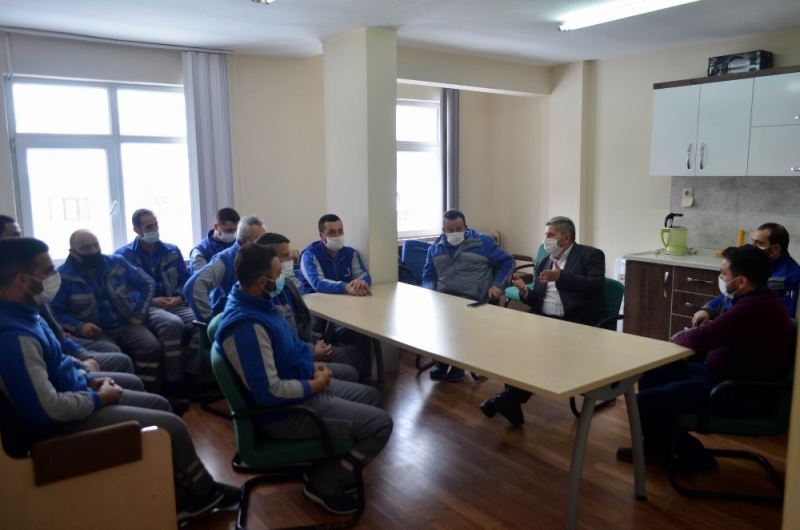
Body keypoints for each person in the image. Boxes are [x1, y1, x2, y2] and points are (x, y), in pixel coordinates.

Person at [0, 237, 238, 522]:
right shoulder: (14, 337)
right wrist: (97, 398)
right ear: (22, 281)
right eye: (47, 271)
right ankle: (203, 493)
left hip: (75, 389)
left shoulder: (28, 314)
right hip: (59, 425)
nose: (54, 277)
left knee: (157, 402)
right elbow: (47, 409)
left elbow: (55, 360)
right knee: (171, 425)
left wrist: (86, 377)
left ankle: (171, 485)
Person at [215, 243, 392, 515]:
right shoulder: (247, 326)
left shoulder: (258, 303)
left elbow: (286, 352)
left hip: (300, 389)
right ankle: (323, 483)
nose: (284, 276)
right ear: (262, 282)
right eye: (278, 272)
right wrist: (315, 384)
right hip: (286, 414)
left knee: (372, 396)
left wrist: (311, 367)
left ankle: (330, 463)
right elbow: (270, 391)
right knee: (380, 424)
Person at [618, 245, 794, 470]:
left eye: (723, 273)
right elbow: (716, 329)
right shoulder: (756, 297)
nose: (720, 278)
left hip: (736, 391)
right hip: (718, 375)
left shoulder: (754, 308)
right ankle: (663, 447)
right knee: (653, 372)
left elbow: (701, 337)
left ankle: (688, 453)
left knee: (645, 401)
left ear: (741, 281)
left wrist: (677, 339)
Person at [480, 216, 605, 425]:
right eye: (546, 234)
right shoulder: (545, 260)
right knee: (511, 345)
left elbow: (596, 286)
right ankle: (511, 401)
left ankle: (509, 400)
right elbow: (538, 299)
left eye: (550, 235)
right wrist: (525, 292)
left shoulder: (591, 255)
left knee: (540, 352)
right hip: (544, 321)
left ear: (566, 238)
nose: (546, 239)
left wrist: (561, 277)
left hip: (574, 323)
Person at [0, 214, 136, 373]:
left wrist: (82, 355)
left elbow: (54, 328)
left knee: (120, 356)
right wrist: (80, 363)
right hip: (49, 357)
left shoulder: (35, 287)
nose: (20, 241)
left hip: (60, 342)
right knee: (117, 357)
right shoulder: (13, 309)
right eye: (14, 236)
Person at [51, 229, 164, 391]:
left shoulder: (116, 262)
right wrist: (79, 326)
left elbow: (147, 283)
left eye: (96, 245)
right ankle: (124, 393)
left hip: (125, 323)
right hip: (96, 331)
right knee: (115, 354)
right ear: (73, 252)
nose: (93, 251)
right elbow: (55, 312)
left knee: (151, 346)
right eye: (86, 248)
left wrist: (139, 313)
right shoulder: (62, 276)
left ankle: (149, 390)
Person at [256, 232, 363, 382]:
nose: (291, 260)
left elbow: (301, 323)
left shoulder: (286, 284)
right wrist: (312, 351)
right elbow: (282, 346)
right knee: (352, 372)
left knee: (355, 355)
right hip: (295, 360)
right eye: (285, 256)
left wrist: (316, 341)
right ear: (270, 260)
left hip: (305, 345)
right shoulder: (263, 298)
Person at [422, 209, 514, 382]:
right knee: (439, 319)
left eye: (459, 229)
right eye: (451, 230)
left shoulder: (482, 242)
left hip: (474, 299)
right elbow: (428, 275)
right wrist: (429, 292)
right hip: (444, 299)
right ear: (443, 230)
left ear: (466, 227)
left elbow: (508, 261)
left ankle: (458, 363)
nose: (455, 233)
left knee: (460, 320)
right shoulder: (435, 248)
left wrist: (497, 286)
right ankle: (443, 361)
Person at [115, 209, 197, 395]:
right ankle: (173, 382)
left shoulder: (172, 250)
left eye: (156, 225)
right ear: (137, 230)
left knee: (201, 322)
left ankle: (190, 375)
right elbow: (121, 291)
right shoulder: (123, 256)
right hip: (148, 306)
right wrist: (151, 300)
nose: (154, 229)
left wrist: (179, 296)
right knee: (172, 324)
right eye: (149, 227)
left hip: (175, 302)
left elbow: (186, 279)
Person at [299, 214, 374, 380]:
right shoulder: (309, 255)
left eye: (340, 231)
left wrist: (360, 283)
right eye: (332, 232)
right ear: (322, 236)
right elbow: (317, 283)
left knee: (364, 329)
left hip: (344, 307)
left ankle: (364, 378)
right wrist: (346, 287)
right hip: (316, 310)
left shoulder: (350, 253)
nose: (338, 235)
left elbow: (364, 275)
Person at [693, 222, 800, 324]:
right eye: (752, 241)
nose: (752, 246)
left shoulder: (793, 275)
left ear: (775, 249)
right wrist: (708, 309)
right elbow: (729, 293)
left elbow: (786, 317)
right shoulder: (751, 262)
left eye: (758, 243)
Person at [184, 215, 266, 323]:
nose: (264, 245)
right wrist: (210, 322)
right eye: (259, 240)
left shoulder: (262, 257)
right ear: (243, 241)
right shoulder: (226, 259)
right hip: (231, 320)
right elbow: (194, 286)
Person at [189, 207, 241, 273]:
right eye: (229, 230)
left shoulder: (240, 245)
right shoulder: (200, 252)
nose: (233, 233)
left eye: (236, 230)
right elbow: (201, 278)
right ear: (216, 227)